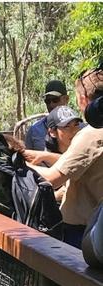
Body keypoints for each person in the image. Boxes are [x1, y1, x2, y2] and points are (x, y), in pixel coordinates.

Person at [26, 68, 103, 250]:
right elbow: (84, 163)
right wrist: (45, 156)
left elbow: (52, 179)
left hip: (81, 231)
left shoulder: (91, 134)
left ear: (83, 99)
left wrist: (20, 164)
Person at [25, 80, 69, 151]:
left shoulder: (78, 129)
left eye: (55, 100)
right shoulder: (34, 130)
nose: (51, 105)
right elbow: (27, 157)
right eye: (48, 101)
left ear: (66, 99)